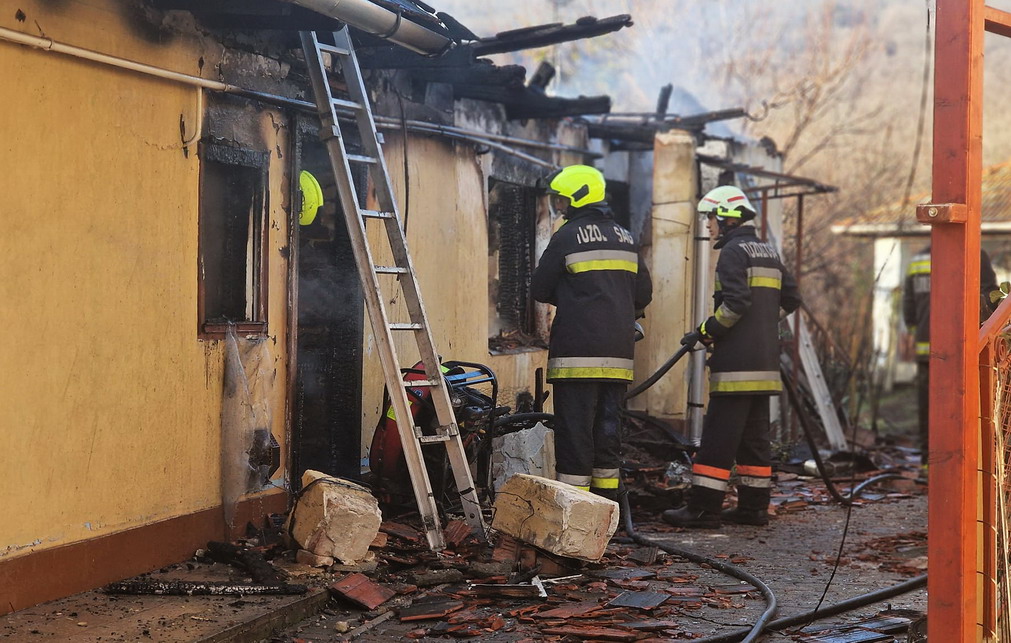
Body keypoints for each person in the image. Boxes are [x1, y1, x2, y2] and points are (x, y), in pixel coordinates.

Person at [662, 185, 801, 529]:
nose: (708, 225)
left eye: (710, 217)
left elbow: (735, 304)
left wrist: (706, 332)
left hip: (737, 365)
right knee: (754, 441)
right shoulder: (767, 250)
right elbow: (792, 298)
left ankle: (702, 509)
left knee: (718, 438)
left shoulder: (734, 252)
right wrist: (763, 325)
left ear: (725, 217)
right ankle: (753, 508)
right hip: (765, 365)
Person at [531, 164, 653, 501]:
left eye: (561, 199)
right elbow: (643, 295)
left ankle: (576, 509)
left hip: (576, 356)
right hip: (618, 356)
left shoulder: (567, 236)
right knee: (608, 431)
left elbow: (540, 289)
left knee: (575, 433)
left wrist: (573, 296)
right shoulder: (626, 238)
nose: (559, 207)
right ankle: (609, 506)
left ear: (577, 198)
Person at [902, 245, 1001, 465]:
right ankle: (963, 461)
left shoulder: (918, 260)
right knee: (962, 406)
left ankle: (929, 463)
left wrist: (918, 332)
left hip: (925, 350)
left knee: (928, 406)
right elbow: (990, 298)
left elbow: (908, 307)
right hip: (961, 349)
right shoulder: (974, 253)